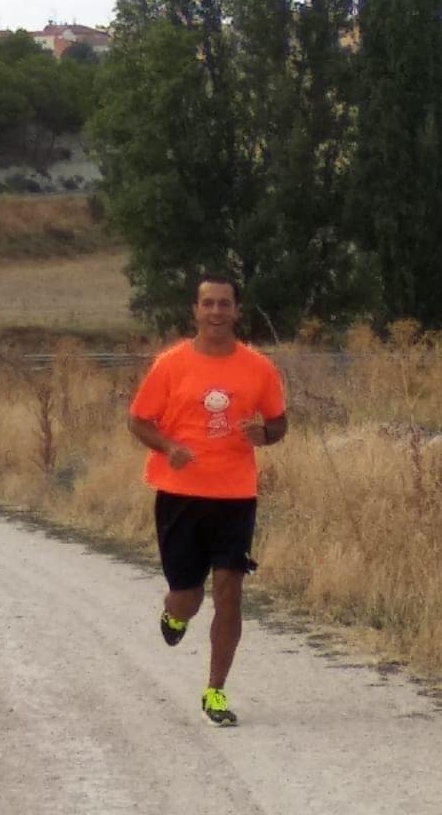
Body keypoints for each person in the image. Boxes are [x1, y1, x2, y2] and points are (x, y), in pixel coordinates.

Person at [126, 274, 287, 728]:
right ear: (195, 311)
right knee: (188, 597)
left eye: (224, 304)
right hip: (180, 496)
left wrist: (266, 435)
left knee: (229, 590)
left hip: (235, 495)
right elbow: (138, 421)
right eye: (208, 304)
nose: (216, 312)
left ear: (237, 311)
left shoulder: (259, 368)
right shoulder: (170, 365)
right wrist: (167, 446)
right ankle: (174, 616)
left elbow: (278, 424)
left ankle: (215, 691)